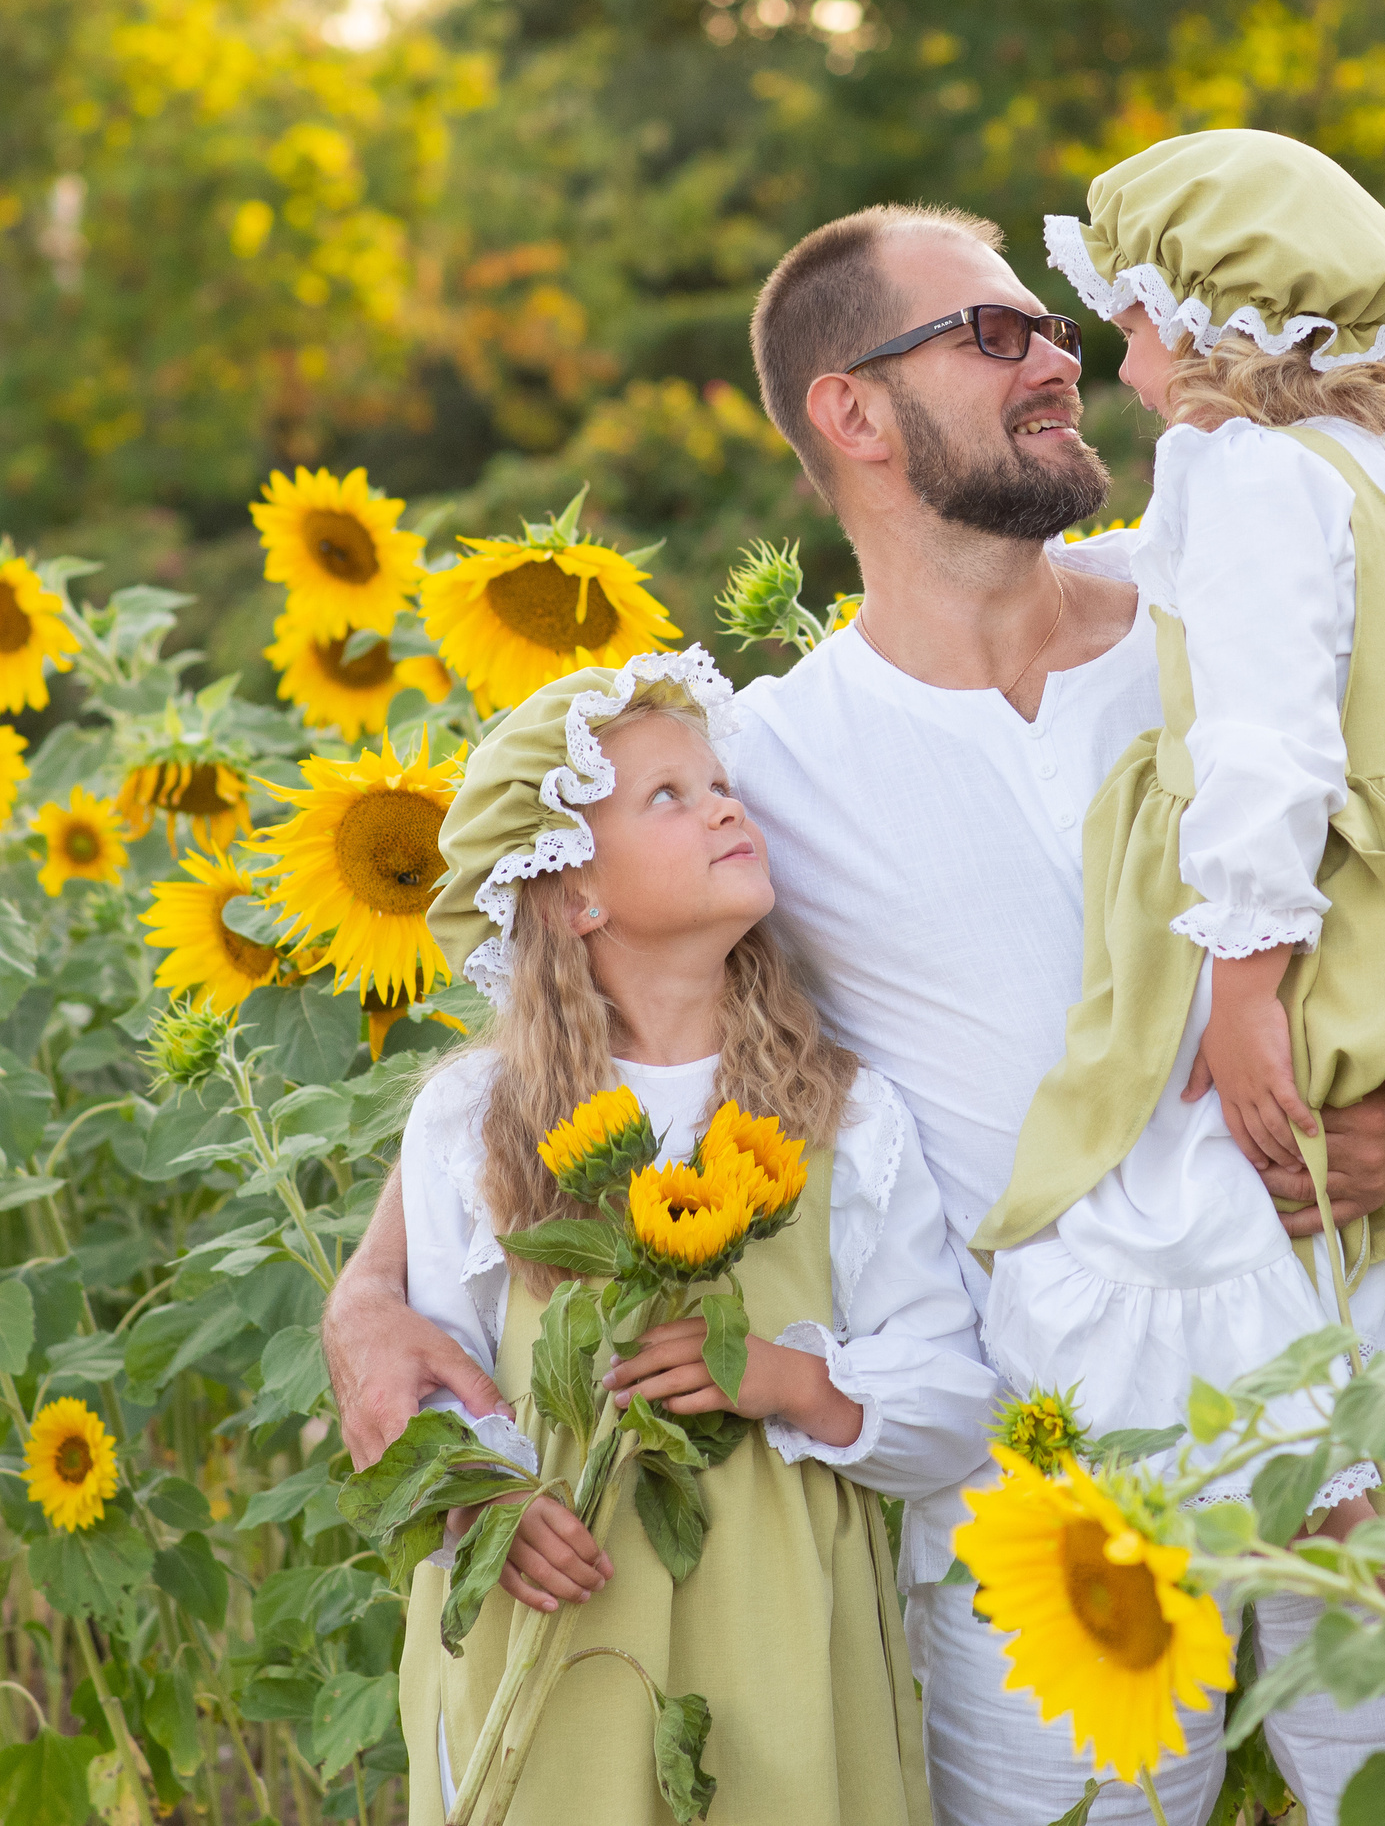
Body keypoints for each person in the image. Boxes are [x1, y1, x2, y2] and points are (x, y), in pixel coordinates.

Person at [328, 196, 1385, 1824]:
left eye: (1053, 325)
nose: (1061, 358)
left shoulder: (1230, 604)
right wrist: (374, 1289)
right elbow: (572, 1007)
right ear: (852, 412)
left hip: (1381, 1383)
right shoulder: (769, 764)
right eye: (995, 331)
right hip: (1043, 1467)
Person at [974, 130, 1385, 1496]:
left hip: (1327, 892)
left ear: (1211, 323)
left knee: (1233, 1185)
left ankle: (1323, 1497)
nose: (1120, 356)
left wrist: (1244, 975)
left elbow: (1267, 741)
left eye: (1134, 317)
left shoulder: (1252, 472)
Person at [391, 651, 998, 1826]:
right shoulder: (477, 1117)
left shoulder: (839, 1110)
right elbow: (435, 1372)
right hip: (556, 1610)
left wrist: (786, 1378)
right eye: (667, 795)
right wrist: (487, 1501)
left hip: (777, 1617)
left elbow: (948, 1401)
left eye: (720, 782)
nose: (725, 804)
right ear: (574, 891)